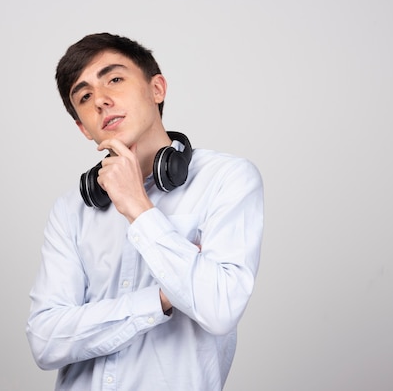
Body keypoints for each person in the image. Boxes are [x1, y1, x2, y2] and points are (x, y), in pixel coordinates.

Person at [26, 32, 264, 391]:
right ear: (81, 126)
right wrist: (162, 298)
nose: (102, 101)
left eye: (115, 80)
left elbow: (220, 308)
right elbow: (45, 341)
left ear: (157, 89)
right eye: (85, 96)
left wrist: (137, 207)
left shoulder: (227, 179)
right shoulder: (71, 210)